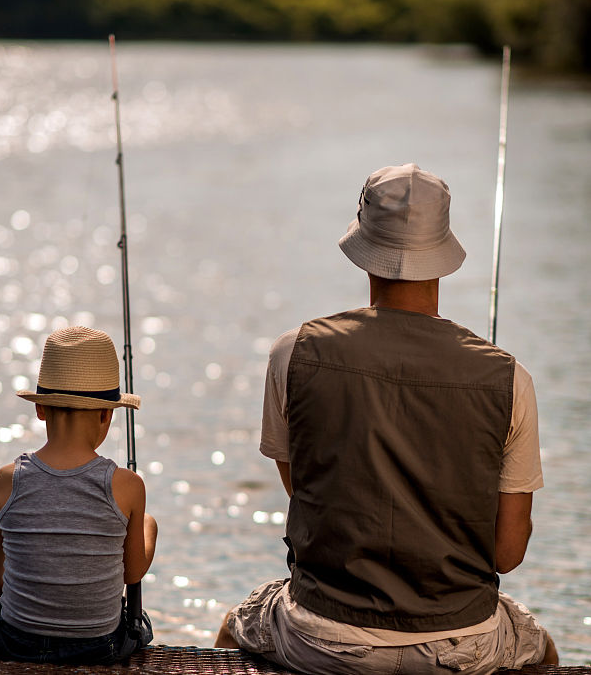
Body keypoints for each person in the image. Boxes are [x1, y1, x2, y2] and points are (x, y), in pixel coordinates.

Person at [216, 163, 558, 674]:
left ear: (364, 249)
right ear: (442, 254)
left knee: (232, 627)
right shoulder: (511, 379)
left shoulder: (294, 353)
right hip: (460, 646)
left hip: (323, 636)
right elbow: (506, 553)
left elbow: (305, 488)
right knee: (542, 650)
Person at [0, 325, 157, 664]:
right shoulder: (129, 486)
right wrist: (150, 527)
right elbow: (131, 574)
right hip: (101, 647)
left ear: (40, 409)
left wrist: (35, 600)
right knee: (139, 624)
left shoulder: (6, 480)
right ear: (107, 414)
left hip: (17, 641)